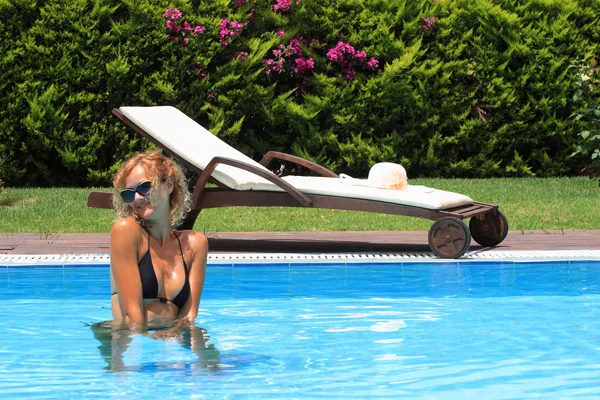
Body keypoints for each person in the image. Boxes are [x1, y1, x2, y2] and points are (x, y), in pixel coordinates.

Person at [109, 151, 208, 330]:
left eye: (145, 187)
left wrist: (174, 347)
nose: (137, 198)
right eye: (128, 195)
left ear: (169, 185)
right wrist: (155, 346)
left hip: (170, 339)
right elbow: (133, 318)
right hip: (126, 338)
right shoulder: (127, 232)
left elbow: (189, 316)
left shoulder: (195, 244)